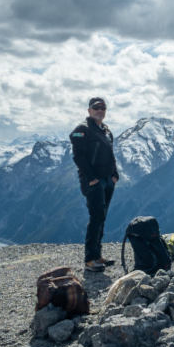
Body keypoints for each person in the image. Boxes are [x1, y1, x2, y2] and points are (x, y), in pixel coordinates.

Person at [70, 98, 120, 273]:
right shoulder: (82, 129)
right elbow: (78, 157)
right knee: (96, 217)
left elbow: (111, 155)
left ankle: (97, 255)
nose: (100, 110)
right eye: (96, 108)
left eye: (103, 108)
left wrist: (115, 175)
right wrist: (91, 178)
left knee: (102, 217)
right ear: (89, 110)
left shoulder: (106, 130)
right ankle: (90, 259)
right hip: (94, 181)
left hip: (107, 180)